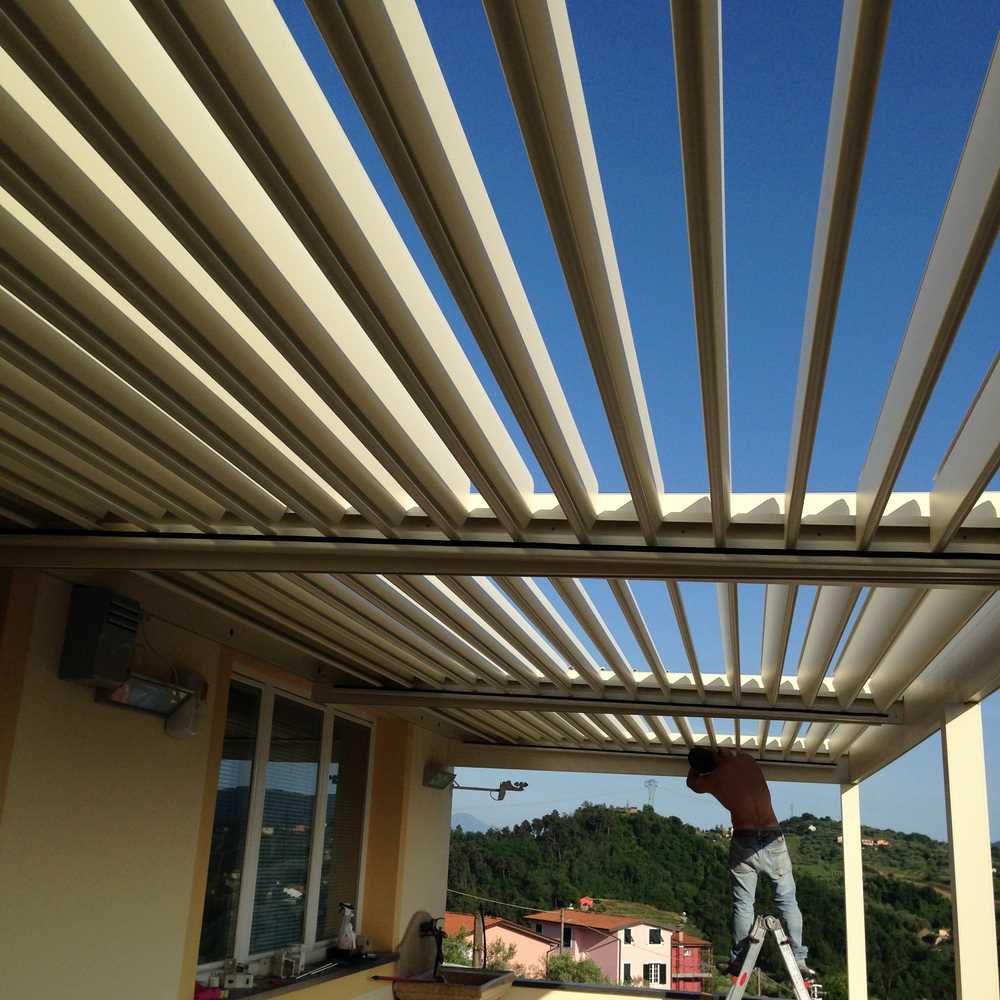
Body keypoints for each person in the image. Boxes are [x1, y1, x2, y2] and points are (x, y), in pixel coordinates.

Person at [686, 747, 816, 979]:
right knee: (787, 900)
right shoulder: (746, 761)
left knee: (743, 904)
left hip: (744, 837)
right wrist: (720, 754)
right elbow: (731, 756)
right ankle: (799, 959)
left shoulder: (711, 780)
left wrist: (696, 767)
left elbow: (691, 783)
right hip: (772, 836)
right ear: (718, 754)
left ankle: (739, 960)